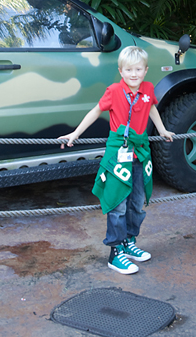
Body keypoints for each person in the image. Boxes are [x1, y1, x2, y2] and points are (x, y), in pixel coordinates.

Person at [58, 46, 174, 274]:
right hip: (118, 155)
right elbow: (95, 111)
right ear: (121, 71)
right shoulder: (114, 91)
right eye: (129, 70)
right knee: (118, 203)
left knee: (137, 202)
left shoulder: (148, 89)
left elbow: (151, 108)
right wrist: (75, 134)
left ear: (145, 70)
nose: (134, 74)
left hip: (140, 153)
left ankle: (129, 242)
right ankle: (115, 252)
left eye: (138, 69)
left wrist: (162, 130)